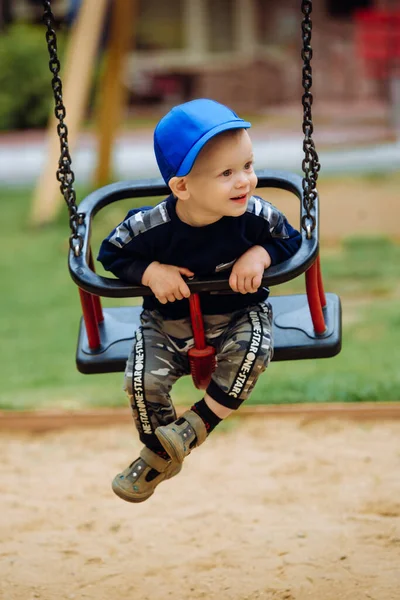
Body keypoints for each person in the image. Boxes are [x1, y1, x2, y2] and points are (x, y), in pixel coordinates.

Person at [98, 98, 301, 503]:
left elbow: (291, 240)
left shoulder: (256, 216)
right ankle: (160, 455)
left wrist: (259, 255)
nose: (245, 181)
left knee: (253, 352)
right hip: (166, 324)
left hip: (239, 314)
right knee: (141, 382)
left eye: (247, 166)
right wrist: (151, 271)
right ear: (182, 187)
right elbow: (111, 253)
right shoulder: (149, 225)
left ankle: (191, 429)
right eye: (227, 173)